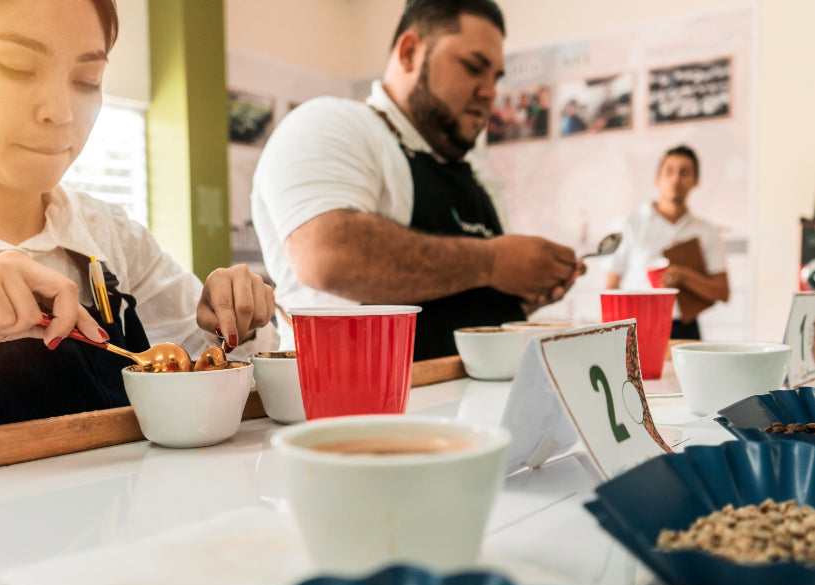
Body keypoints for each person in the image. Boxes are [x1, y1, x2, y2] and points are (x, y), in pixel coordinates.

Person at [251, 0, 584, 360]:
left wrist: (519, 292)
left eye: (496, 77)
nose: (490, 91)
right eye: (473, 67)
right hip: (360, 392)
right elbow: (326, 255)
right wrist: (492, 263)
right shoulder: (329, 124)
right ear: (409, 52)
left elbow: (460, 293)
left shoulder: (479, 175)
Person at [0, 0, 280, 424]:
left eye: (87, 79)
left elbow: (230, 371)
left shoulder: (110, 235)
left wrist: (236, 322)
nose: (61, 112)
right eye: (16, 66)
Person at [605, 145, 729, 339]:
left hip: (685, 328)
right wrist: (608, 335)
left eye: (684, 172)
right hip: (637, 324)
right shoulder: (628, 225)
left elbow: (722, 292)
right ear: (657, 179)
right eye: (669, 171)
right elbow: (611, 287)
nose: (676, 179)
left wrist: (684, 276)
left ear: (695, 181)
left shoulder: (706, 231)